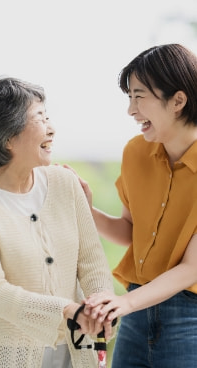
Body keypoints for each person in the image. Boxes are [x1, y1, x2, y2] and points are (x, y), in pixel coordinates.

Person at [0, 76, 115, 368]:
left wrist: (100, 305)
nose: (52, 129)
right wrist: (65, 310)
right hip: (4, 357)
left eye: (48, 116)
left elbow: (92, 262)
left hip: (75, 351)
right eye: (40, 118)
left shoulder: (66, 183)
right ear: (7, 137)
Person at [73, 44, 197, 367]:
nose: (131, 110)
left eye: (139, 97)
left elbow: (192, 268)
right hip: (134, 310)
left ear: (178, 101)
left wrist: (124, 303)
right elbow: (131, 232)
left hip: (189, 318)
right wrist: (87, 210)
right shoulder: (135, 153)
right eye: (129, 98)